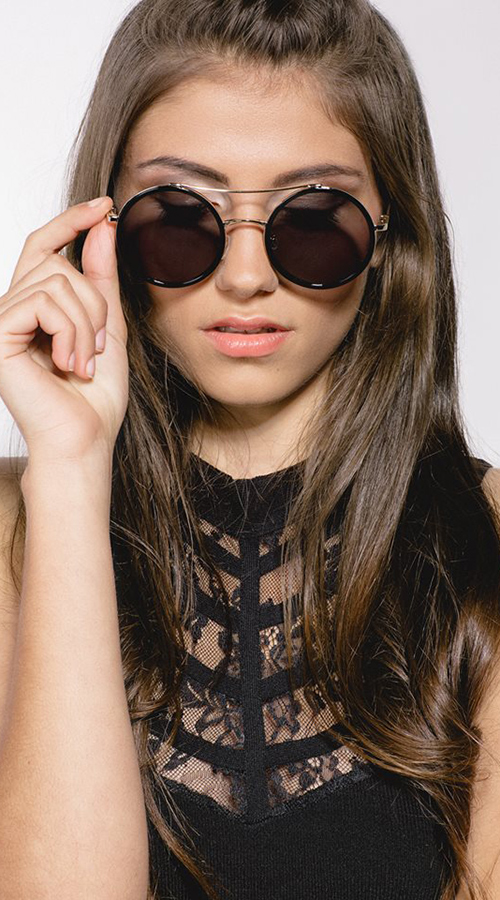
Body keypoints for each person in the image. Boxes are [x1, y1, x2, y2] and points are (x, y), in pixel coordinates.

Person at [0, 0, 499, 898]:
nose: (244, 275)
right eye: (181, 215)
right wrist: (70, 471)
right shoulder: (15, 534)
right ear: (100, 230)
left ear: (390, 233)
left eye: (313, 218)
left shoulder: (487, 537)